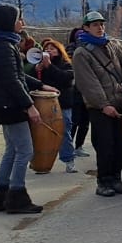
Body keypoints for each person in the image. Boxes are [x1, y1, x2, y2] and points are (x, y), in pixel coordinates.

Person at [0, 5, 49, 214]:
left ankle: (0, 195)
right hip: (10, 104)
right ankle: (17, 196)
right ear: (9, 22)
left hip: (2, 103)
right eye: (19, 19)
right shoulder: (4, 46)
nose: (22, 23)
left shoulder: (2, 43)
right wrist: (29, 106)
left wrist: (41, 85)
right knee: (25, 150)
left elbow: (17, 75)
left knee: (11, 150)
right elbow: (12, 81)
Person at [72, 11, 122, 197]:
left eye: (101, 24)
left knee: (120, 144)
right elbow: (88, 84)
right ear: (86, 28)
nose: (100, 27)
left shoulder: (111, 44)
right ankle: (103, 181)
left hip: (119, 101)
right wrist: (103, 104)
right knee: (105, 145)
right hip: (99, 107)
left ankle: (116, 178)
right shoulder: (81, 53)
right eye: (95, 25)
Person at [35, 38, 80, 174]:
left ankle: (69, 159)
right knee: (42, 133)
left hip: (63, 104)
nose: (49, 51)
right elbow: (34, 82)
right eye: (46, 49)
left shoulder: (65, 64)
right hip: (43, 104)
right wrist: (37, 71)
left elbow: (66, 80)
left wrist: (50, 66)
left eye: (52, 48)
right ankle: (42, 161)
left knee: (64, 131)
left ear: (59, 50)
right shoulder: (39, 65)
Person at [65, 27, 92, 159]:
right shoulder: (70, 50)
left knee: (85, 121)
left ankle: (79, 146)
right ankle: (70, 147)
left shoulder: (91, 49)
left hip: (87, 90)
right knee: (74, 121)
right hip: (75, 90)